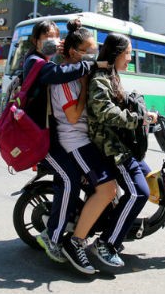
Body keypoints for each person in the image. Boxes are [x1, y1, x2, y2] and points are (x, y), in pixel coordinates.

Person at [20, 20, 107, 265]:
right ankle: (53, 237)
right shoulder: (35, 63)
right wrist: (90, 65)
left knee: (72, 176)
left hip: (50, 134)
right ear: (36, 40)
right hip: (38, 137)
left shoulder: (45, 61)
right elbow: (59, 74)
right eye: (48, 36)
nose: (54, 40)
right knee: (69, 178)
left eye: (57, 36)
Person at [49, 19, 119, 274]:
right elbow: (73, 117)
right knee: (107, 189)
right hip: (75, 140)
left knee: (112, 184)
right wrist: (86, 83)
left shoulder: (81, 72)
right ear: (73, 52)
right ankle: (75, 242)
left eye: (94, 49)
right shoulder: (66, 79)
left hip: (87, 138)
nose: (92, 54)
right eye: (88, 51)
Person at [87, 32, 158, 268]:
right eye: (128, 53)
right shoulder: (100, 79)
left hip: (120, 143)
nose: (130, 58)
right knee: (139, 192)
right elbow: (105, 112)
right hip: (110, 147)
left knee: (150, 177)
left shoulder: (112, 75)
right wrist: (139, 118)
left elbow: (123, 100)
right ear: (116, 53)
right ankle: (106, 243)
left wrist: (142, 109)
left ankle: (120, 223)